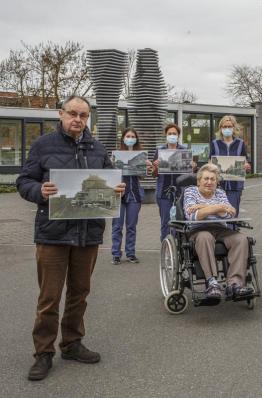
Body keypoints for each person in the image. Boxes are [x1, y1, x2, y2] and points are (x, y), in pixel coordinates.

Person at [16, 95, 125, 381]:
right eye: (73, 114)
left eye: (84, 115)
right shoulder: (43, 146)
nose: (78, 119)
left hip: (87, 233)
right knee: (49, 297)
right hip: (52, 234)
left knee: (79, 293)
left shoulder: (98, 148)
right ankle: (43, 352)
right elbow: (24, 181)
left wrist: (116, 189)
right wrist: (39, 190)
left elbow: (110, 181)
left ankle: (72, 343)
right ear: (60, 114)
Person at [183, 164, 253, 302]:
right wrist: (219, 207)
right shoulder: (190, 191)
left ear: (217, 182)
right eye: (206, 179)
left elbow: (229, 215)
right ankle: (212, 283)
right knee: (205, 237)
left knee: (241, 239)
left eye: (213, 179)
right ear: (198, 181)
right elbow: (193, 215)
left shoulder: (220, 192)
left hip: (221, 229)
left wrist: (203, 206)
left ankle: (235, 284)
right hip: (198, 229)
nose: (209, 182)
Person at [111, 127, 151, 265]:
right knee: (117, 226)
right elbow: (112, 174)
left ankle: (130, 253)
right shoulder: (116, 155)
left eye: (132, 136)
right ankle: (116, 254)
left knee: (131, 226)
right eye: (127, 136)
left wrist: (146, 166)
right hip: (119, 194)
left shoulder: (140, 155)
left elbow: (142, 176)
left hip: (134, 193)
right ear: (123, 138)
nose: (130, 138)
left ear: (136, 139)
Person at [209, 115, 251, 216]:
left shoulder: (240, 143)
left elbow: (245, 162)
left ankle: (233, 231)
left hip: (235, 186)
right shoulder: (215, 143)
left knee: (232, 213)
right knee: (218, 214)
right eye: (224, 127)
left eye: (229, 126)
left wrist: (246, 166)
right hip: (218, 186)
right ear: (220, 128)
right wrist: (210, 166)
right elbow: (209, 161)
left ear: (233, 128)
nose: (227, 129)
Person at [152, 123, 188, 241]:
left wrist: (192, 166)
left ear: (178, 136)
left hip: (180, 192)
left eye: (174, 134)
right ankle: (166, 248)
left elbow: (188, 173)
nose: (172, 135)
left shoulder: (184, 150)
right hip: (163, 192)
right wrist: (155, 167)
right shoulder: (160, 150)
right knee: (165, 223)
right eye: (170, 134)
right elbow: (154, 174)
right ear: (166, 135)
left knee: (180, 222)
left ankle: (179, 249)